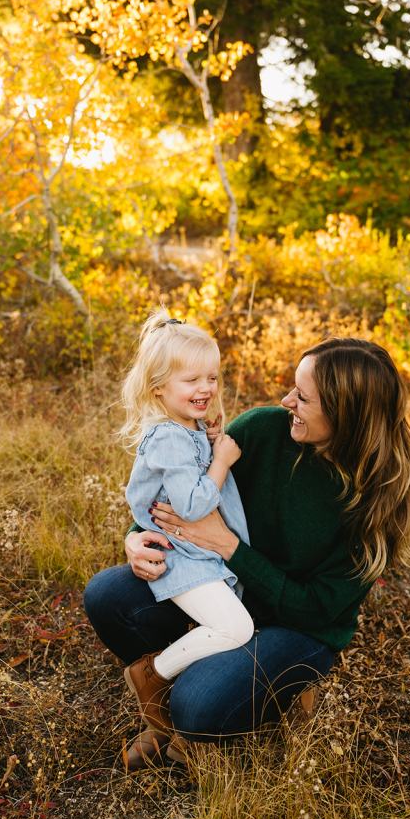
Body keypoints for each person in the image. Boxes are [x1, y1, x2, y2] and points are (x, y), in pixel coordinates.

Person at [84, 336, 410, 768]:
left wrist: (228, 546)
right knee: (110, 594)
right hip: (226, 592)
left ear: (345, 415)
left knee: (200, 702)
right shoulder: (263, 429)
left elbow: (319, 609)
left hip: (299, 626)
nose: (286, 401)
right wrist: (136, 537)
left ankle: (202, 716)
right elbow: (181, 486)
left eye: (302, 397)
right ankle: (167, 722)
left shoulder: (377, 499)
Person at [118, 311, 255, 734]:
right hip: (182, 553)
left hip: (195, 549)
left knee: (232, 624)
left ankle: (176, 684)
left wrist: (208, 437)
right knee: (236, 628)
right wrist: (221, 460)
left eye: (211, 378)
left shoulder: (186, 426)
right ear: (158, 388)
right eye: (191, 380)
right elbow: (193, 504)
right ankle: (153, 674)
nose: (206, 388)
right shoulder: (170, 436)